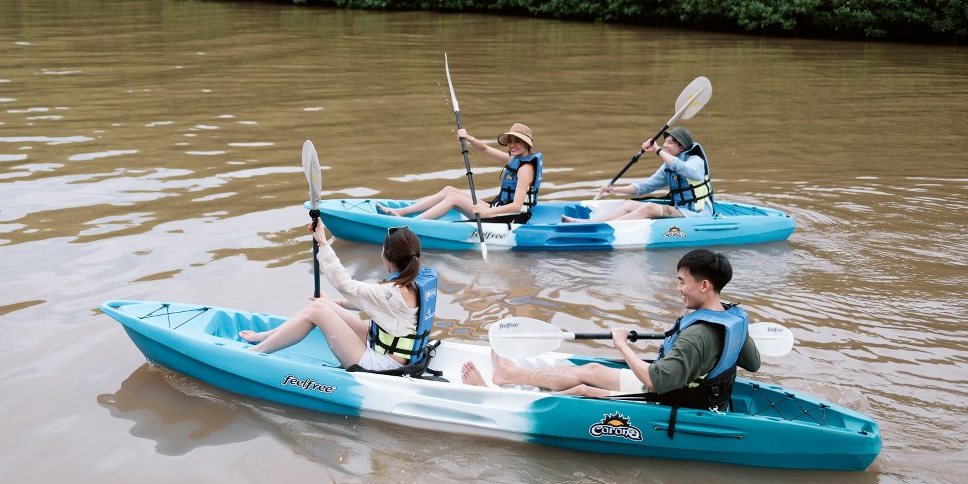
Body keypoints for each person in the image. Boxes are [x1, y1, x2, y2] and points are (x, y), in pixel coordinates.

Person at [462, 249, 759, 411]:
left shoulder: (697, 335)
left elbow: (657, 383)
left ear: (704, 285)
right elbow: (752, 362)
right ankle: (511, 375)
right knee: (590, 368)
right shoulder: (734, 317)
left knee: (582, 389)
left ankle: (493, 398)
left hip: (672, 400)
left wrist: (622, 345)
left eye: (682, 281)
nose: (678, 287)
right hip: (695, 391)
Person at [240, 222, 438, 373]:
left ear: (386, 256)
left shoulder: (390, 291)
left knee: (317, 310)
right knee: (321, 305)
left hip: (382, 364)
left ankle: (255, 353)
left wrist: (323, 243)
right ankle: (265, 336)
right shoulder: (414, 280)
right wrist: (332, 303)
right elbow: (378, 305)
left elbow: (346, 285)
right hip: (386, 349)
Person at [380, 122, 543, 222]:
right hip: (497, 208)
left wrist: (487, 211)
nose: (512, 145)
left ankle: (413, 225)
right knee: (449, 189)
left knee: (453, 198)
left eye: (517, 142)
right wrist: (469, 138)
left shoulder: (525, 169)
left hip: (510, 216)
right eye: (510, 142)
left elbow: (516, 205)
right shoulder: (516, 159)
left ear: (527, 144)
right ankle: (401, 212)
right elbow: (485, 148)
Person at [564, 126, 712, 223]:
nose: (665, 145)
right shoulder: (667, 166)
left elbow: (684, 169)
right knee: (629, 204)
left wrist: (657, 149)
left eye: (670, 142)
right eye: (664, 141)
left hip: (697, 214)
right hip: (680, 210)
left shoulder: (696, 161)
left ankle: (604, 227)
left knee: (650, 208)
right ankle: (591, 223)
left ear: (681, 147)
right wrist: (615, 190)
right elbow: (644, 187)